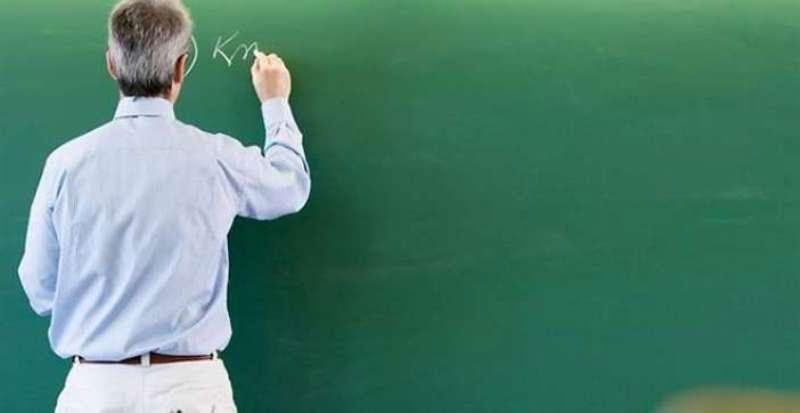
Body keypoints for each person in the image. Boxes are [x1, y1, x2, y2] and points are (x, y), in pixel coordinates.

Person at [17, 0, 310, 411]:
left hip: (95, 390)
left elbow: (40, 288)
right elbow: (289, 187)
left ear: (111, 64)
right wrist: (275, 103)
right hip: (191, 389)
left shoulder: (66, 164)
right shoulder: (216, 157)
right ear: (180, 67)